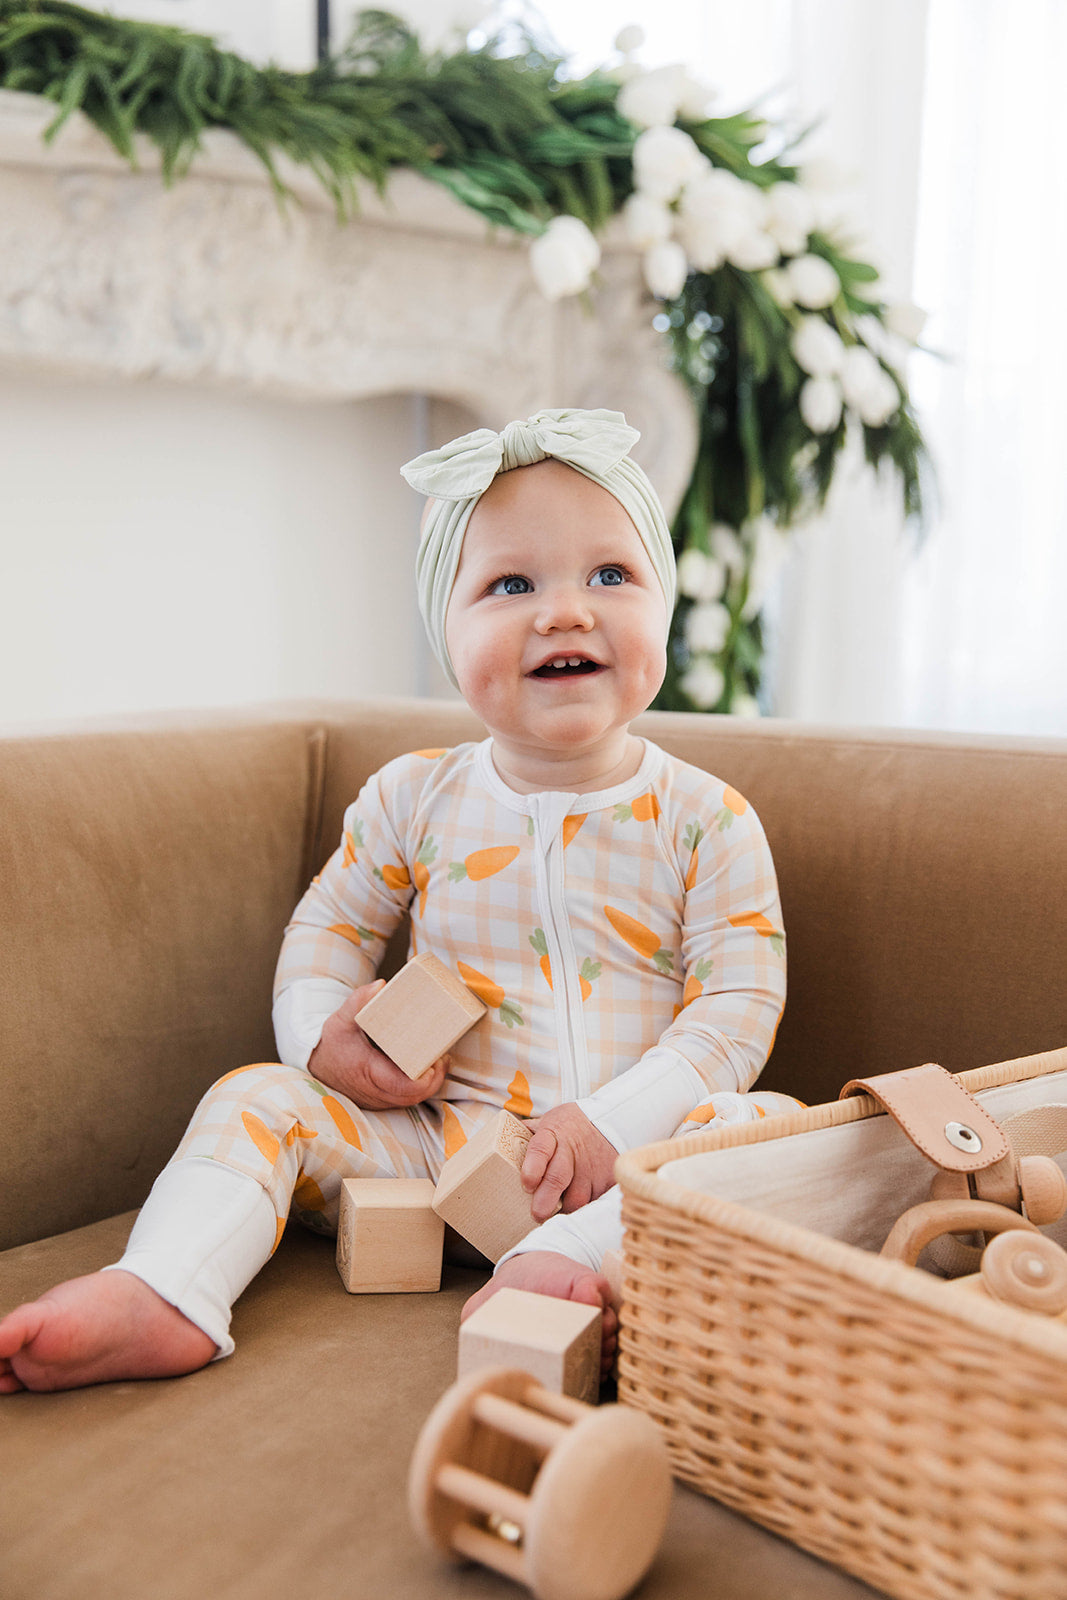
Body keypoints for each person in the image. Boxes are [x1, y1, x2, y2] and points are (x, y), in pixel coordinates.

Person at [0, 408, 795, 1395]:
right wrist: (320, 1042)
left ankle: (567, 1263)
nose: (564, 612)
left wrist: (608, 1124)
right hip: (437, 1154)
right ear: (444, 634)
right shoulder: (413, 796)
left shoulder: (706, 818)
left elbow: (735, 1008)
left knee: (766, 1128)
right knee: (255, 1096)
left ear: (661, 607)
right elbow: (327, 931)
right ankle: (163, 1288)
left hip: (633, 1158)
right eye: (510, 584)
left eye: (609, 575)